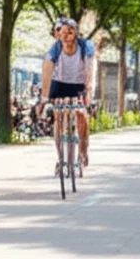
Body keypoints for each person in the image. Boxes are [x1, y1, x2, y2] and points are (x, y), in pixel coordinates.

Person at [41, 17, 95, 168]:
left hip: (79, 84)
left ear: (76, 33)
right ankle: (60, 158)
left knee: (81, 116)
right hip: (60, 84)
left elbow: (90, 69)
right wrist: (45, 98)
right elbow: (47, 70)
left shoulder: (86, 46)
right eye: (61, 32)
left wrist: (89, 91)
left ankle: (83, 151)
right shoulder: (55, 49)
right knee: (58, 116)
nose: (66, 36)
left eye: (70, 32)